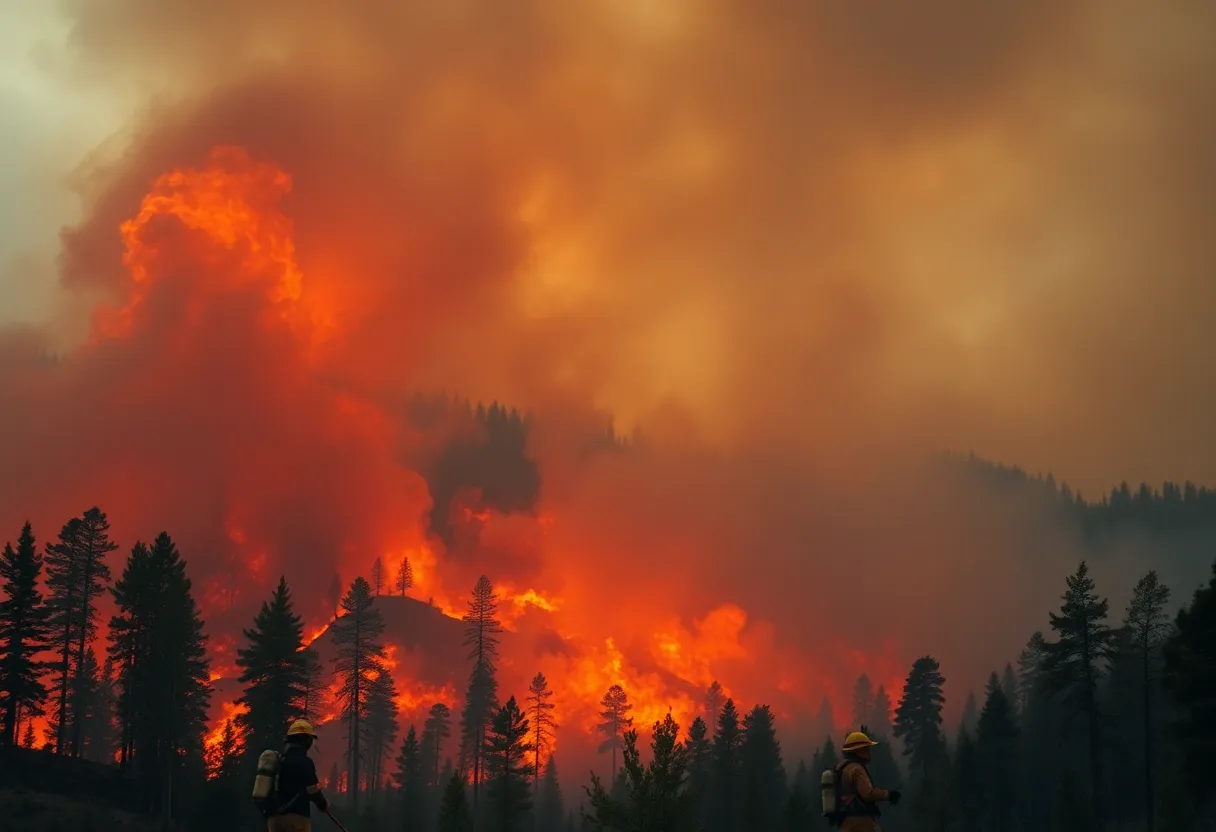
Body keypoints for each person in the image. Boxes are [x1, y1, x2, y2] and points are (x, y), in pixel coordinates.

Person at [268, 719, 330, 832]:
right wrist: (323, 805)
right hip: (296, 820)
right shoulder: (304, 762)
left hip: (274, 821)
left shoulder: (280, 760)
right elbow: (313, 790)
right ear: (306, 741)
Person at [834, 731, 901, 831]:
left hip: (845, 824)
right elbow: (868, 794)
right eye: (866, 748)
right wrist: (889, 795)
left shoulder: (841, 768)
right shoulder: (856, 769)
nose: (869, 752)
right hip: (860, 822)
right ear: (859, 750)